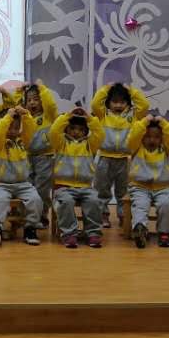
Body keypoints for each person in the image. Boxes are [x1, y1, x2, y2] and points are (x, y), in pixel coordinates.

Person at [91, 81, 150, 225]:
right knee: (101, 189)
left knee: (123, 190)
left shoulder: (133, 115)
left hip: (125, 159)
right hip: (104, 158)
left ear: (128, 103)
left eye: (122, 102)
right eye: (115, 102)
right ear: (108, 103)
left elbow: (144, 105)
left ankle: (123, 215)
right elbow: (95, 104)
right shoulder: (103, 114)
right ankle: (103, 214)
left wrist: (131, 91)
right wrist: (106, 88)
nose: (118, 105)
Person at [0, 105, 43, 247]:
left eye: (16, 128)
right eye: (9, 127)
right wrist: (8, 117)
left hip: (23, 184)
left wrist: (26, 115)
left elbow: (31, 129)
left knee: (35, 199)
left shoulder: (23, 141)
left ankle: (30, 229)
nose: (12, 131)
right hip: (1, 184)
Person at [49, 106, 105, 248]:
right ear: (66, 129)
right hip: (63, 187)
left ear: (86, 131)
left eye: (80, 130)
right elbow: (54, 131)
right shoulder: (60, 143)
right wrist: (67, 116)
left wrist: (89, 118)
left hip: (85, 187)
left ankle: (93, 233)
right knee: (66, 202)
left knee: (94, 201)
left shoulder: (90, 145)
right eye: (72, 128)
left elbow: (100, 134)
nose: (76, 132)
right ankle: (69, 234)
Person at [127, 115, 169, 248]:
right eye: (148, 136)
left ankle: (164, 233)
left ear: (161, 138)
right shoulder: (136, 147)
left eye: (156, 137)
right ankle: (140, 228)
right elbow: (133, 136)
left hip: (162, 188)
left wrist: (163, 123)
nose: (152, 140)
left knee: (167, 205)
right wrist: (144, 122)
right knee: (140, 205)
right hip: (140, 187)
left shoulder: (165, 148)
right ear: (142, 137)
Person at [5, 81, 58, 210]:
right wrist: (19, 91)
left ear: (42, 101)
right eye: (29, 100)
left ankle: (42, 213)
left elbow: (51, 104)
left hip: (45, 157)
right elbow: (15, 106)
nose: (32, 103)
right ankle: (27, 213)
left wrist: (42, 88)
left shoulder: (48, 115)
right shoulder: (24, 116)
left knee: (42, 187)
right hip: (27, 156)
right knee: (26, 185)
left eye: (36, 99)